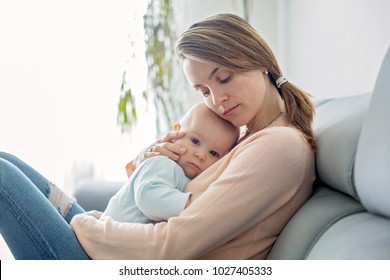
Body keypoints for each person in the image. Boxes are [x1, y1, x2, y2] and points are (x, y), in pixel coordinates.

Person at [0, 13, 315, 260]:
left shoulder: (278, 147)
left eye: (224, 78)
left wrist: (85, 225)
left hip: (133, 262)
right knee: (7, 161)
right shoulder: (250, 135)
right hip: (126, 246)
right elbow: (166, 193)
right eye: (204, 91)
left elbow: (169, 247)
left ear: (259, 59)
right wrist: (146, 162)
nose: (217, 100)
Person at [101, 103, 239, 223]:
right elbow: (148, 198)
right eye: (195, 141)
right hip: (104, 237)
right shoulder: (163, 163)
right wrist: (190, 204)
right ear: (176, 131)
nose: (201, 155)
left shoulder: (195, 178)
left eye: (214, 153)